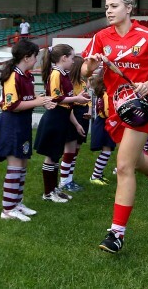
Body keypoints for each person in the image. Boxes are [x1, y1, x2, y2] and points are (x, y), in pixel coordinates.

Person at [81, 0, 148, 254]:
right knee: (133, 160)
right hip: (115, 108)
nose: (108, 10)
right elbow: (85, 71)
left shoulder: (147, 37)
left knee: (123, 166)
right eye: (106, 7)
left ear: (129, 8)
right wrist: (91, 63)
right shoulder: (100, 37)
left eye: (114, 6)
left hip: (141, 107)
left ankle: (116, 234)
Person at [0, 40, 56, 222]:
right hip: (12, 123)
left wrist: (41, 99)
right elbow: (12, 105)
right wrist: (37, 102)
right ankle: (7, 209)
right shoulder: (13, 76)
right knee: (15, 166)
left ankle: (17, 203)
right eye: (34, 57)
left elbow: (28, 98)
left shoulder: (26, 75)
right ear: (26, 57)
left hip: (22, 123)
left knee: (23, 165)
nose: (36, 61)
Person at [34, 44, 91, 204]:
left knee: (55, 156)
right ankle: (48, 192)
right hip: (54, 119)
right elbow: (55, 98)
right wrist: (77, 99)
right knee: (51, 156)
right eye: (72, 58)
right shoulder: (56, 74)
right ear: (64, 58)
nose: (73, 62)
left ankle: (53, 189)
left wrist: (76, 123)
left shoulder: (63, 74)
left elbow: (67, 105)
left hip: (62, 118)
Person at [58, 55, 92, 193]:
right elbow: (69, 102)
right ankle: (64, 181)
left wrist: (89, 110)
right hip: (74, 115)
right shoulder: (69, 83)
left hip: (83, 116)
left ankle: (69, 179)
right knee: (69, 150)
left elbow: (88, 99)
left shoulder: (82, 83)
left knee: (76, 149)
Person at [89, 74, 117, 185]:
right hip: (105, 123)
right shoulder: (106, 94)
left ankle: (98, 174)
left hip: (103, 123)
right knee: (106, 151)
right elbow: (107, 111)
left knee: (107, 150)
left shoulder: (103, 93)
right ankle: (95, 176)